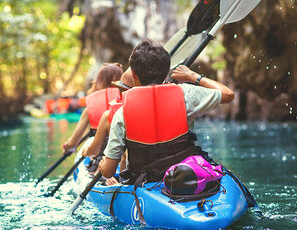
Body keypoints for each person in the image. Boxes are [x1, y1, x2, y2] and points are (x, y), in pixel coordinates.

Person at [100, 40, 234, 183]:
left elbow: (108, 171)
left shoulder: (122, 113)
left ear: (134, 75)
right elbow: (228, 94)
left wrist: (102, 164)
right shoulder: (185, 94)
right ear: (165, 74)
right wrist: (192, 76)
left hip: (145, 183)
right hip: (185, 177)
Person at [62, 63, 123, 154]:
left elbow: (73, 142)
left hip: (99, 155)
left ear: (99, 81)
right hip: (123, 154)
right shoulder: (127, 99)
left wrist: (67, 146)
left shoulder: (89, 108)